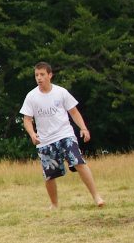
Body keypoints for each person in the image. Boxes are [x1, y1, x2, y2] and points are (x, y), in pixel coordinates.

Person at [20, 62, 104, 209]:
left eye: (42, 74)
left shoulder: (61, 92)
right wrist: (32, 133)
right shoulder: (31, 96)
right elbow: (27, 119)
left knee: (79, 162)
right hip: (45, 140)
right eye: (36, 75)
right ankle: (54, 204)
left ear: (50, 75)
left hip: (65, 135)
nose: (39, 78)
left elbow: (74, 112)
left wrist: (83, 128)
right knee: (49, 175)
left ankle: (97, 197)